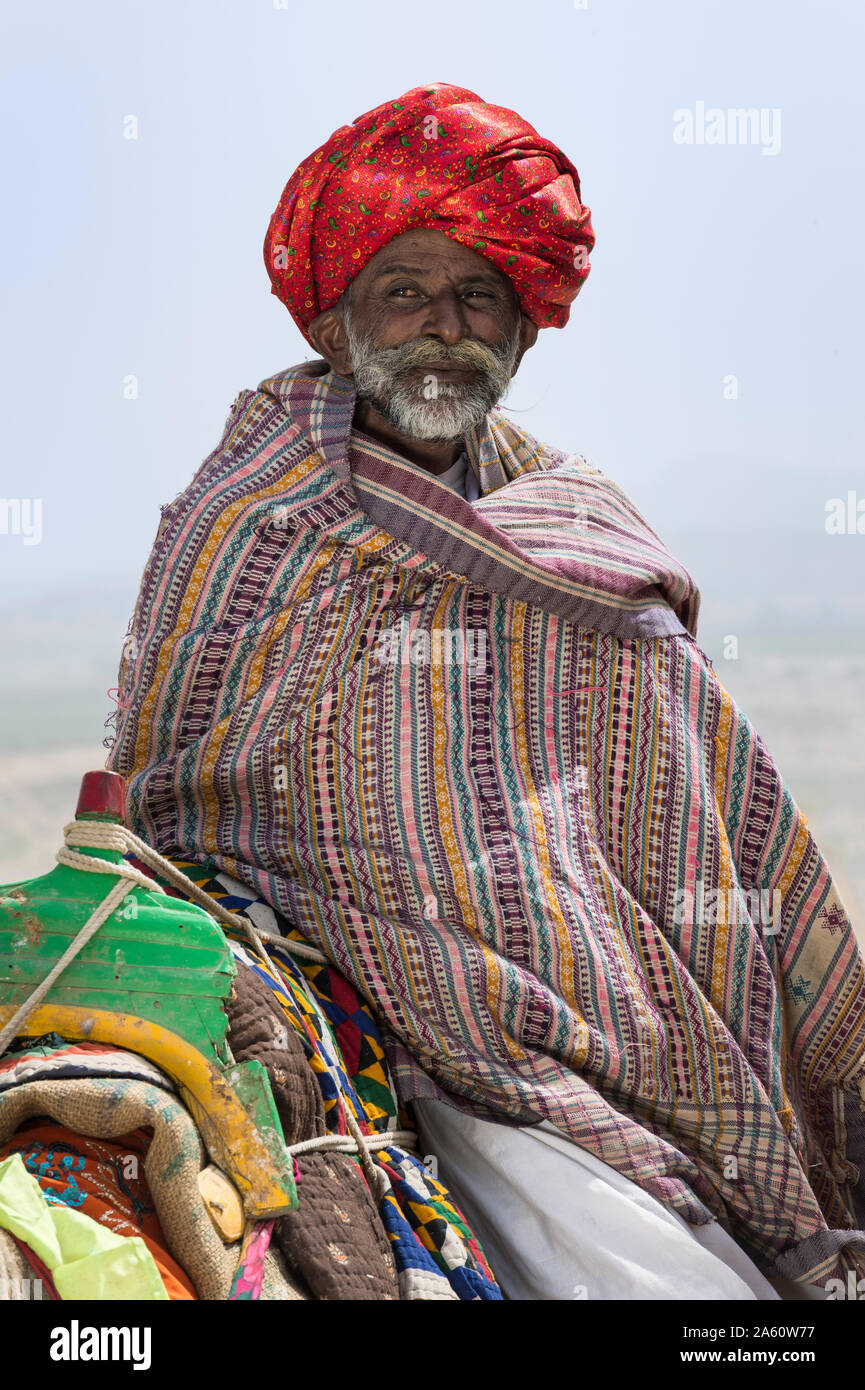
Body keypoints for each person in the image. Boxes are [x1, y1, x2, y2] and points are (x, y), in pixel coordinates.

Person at [106, 83, 865, 1300]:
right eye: (403, 292)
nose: (442, 328)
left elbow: (696, 790)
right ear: (339, 322)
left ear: (523, 324)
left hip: (601, 1002)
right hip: (340, 981)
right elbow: (179, 787)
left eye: (477, 297)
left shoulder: (584, 530)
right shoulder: (243, 522)